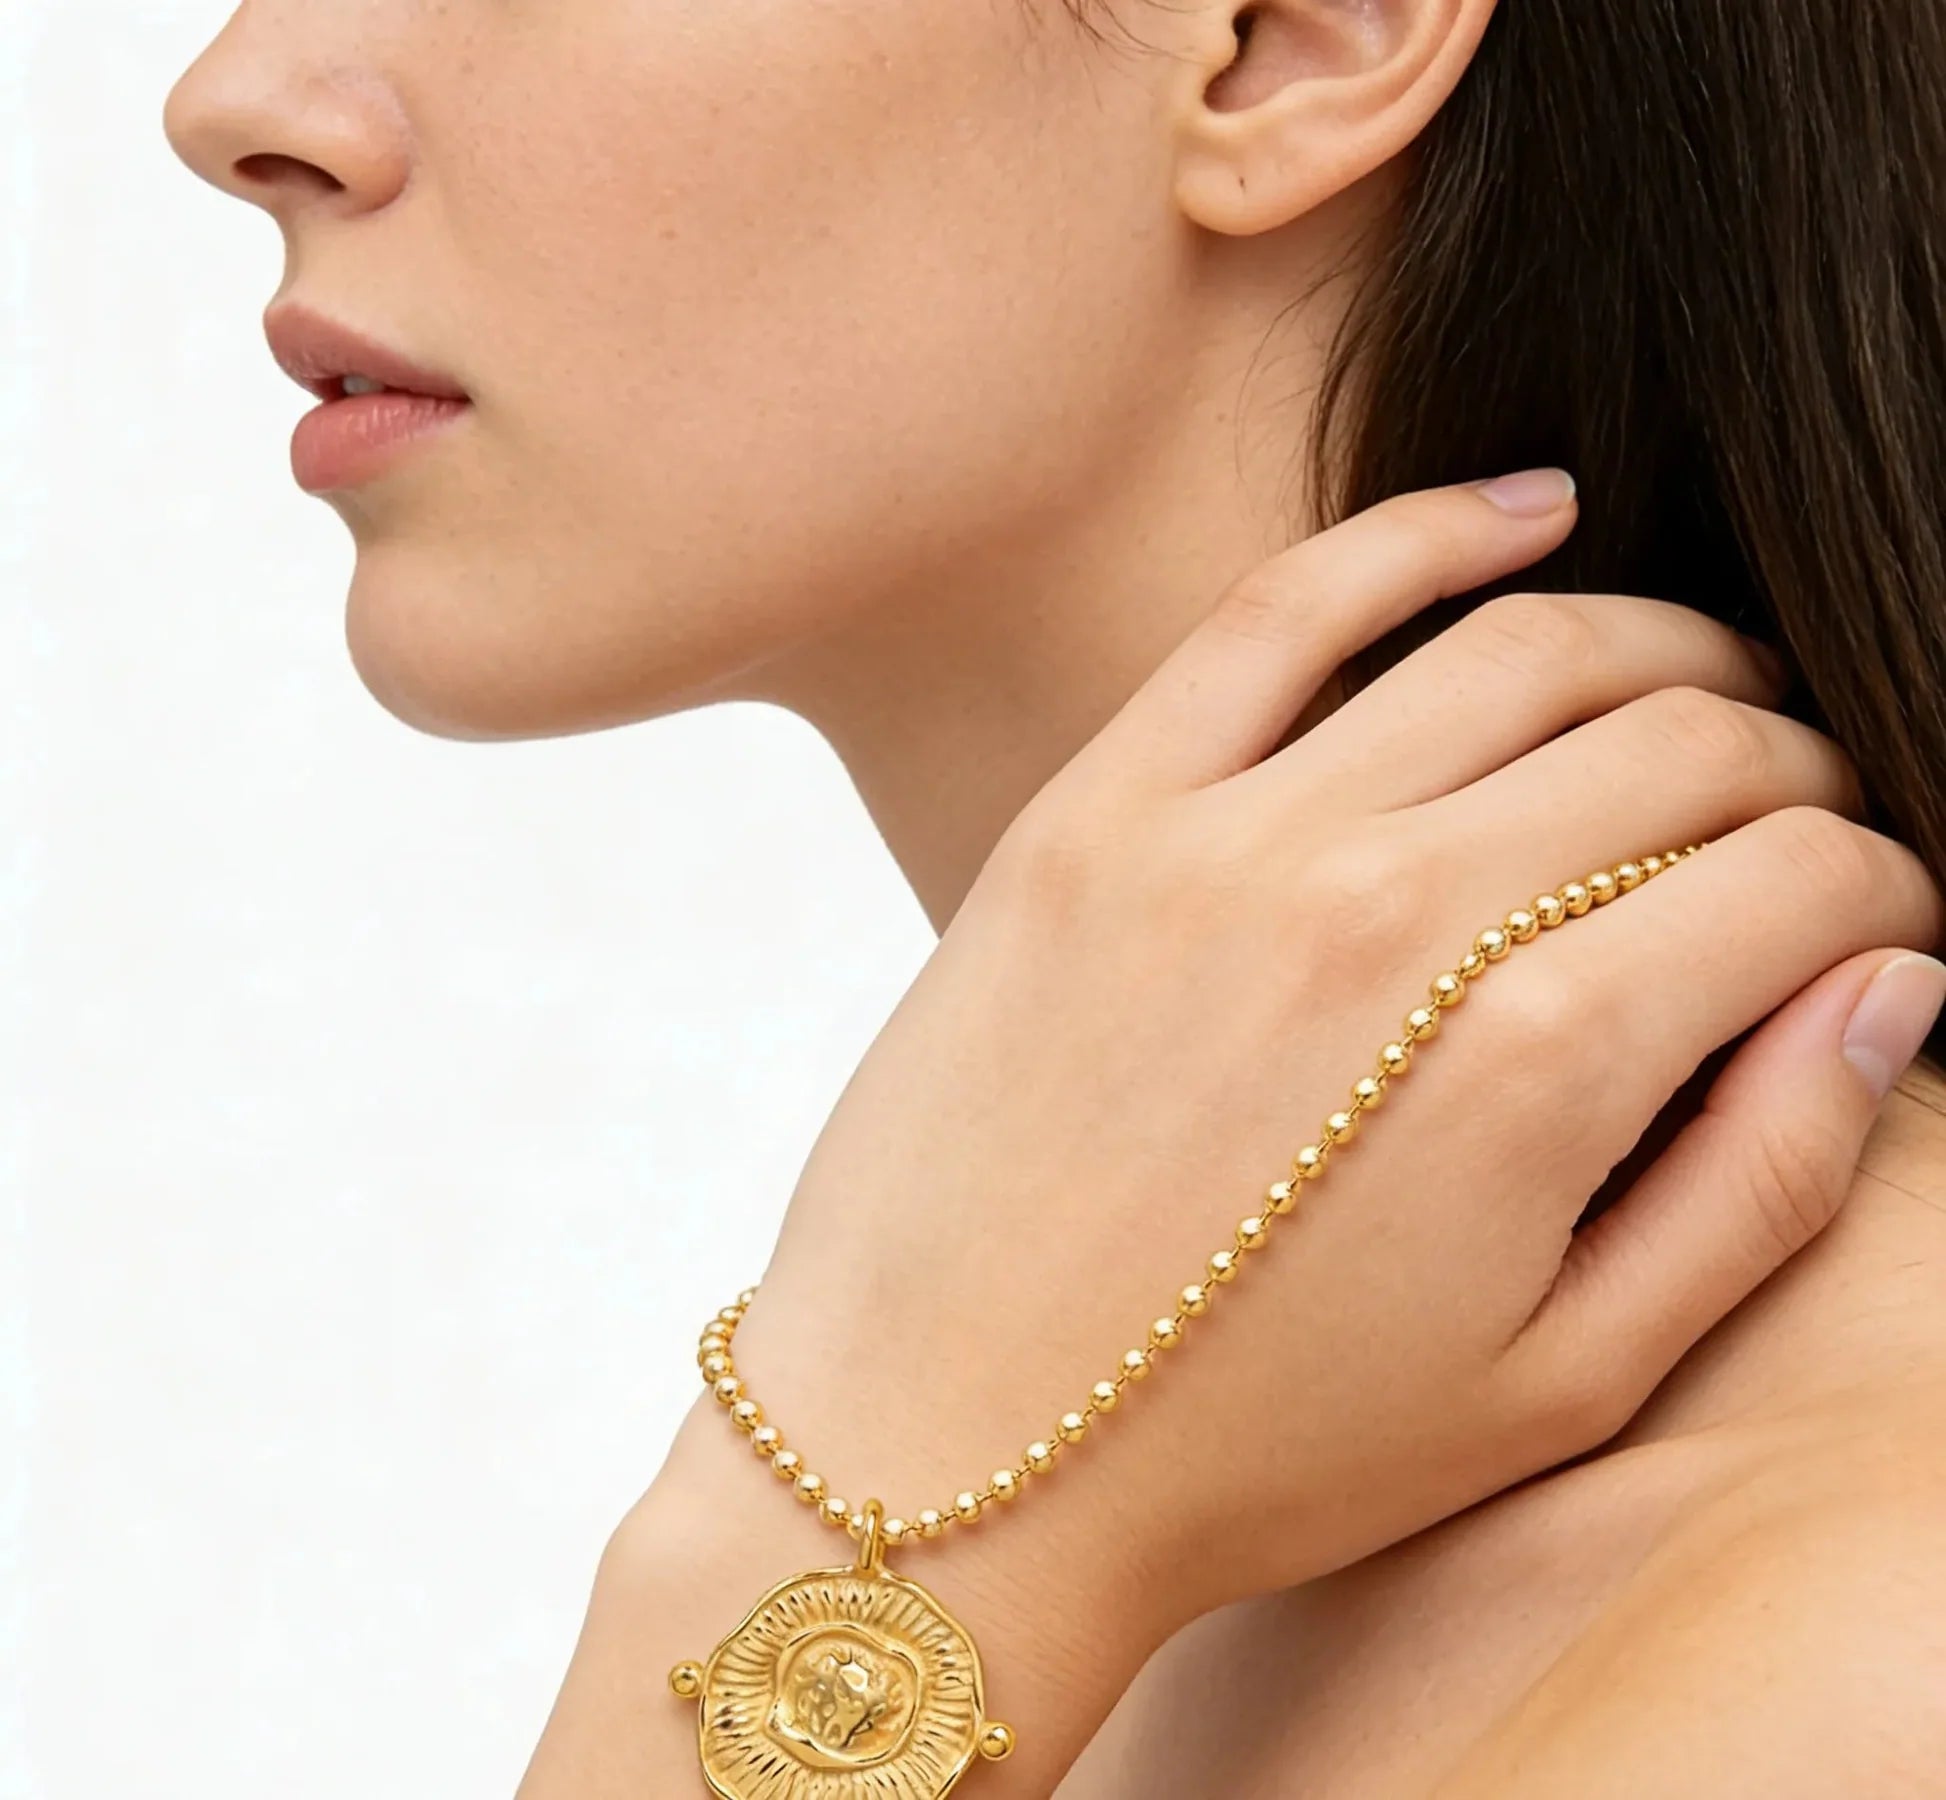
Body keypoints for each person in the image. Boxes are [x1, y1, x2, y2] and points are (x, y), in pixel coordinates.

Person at [162, 0, 1946, 1792]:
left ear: (1288, 36)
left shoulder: (1851, 1661)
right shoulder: (1169, 1591)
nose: (233, 98)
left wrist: (858, 1505)